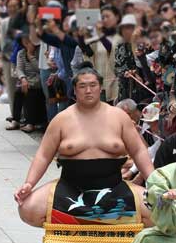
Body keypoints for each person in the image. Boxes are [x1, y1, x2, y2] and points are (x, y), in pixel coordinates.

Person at [14, 62, 154, 228]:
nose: (88, 90)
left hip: (114, 188)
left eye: (93, 85)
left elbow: (139, 151)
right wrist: (29, 184)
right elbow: (43, 155)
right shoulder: (61, 119)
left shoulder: (119, 117)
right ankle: (99, 223)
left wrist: (153, 182)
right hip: (70, 189)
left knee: (159, 209)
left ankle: (90, 224)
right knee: (28, 209)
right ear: (74, 90)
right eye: (82, 86)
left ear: (100, 87)